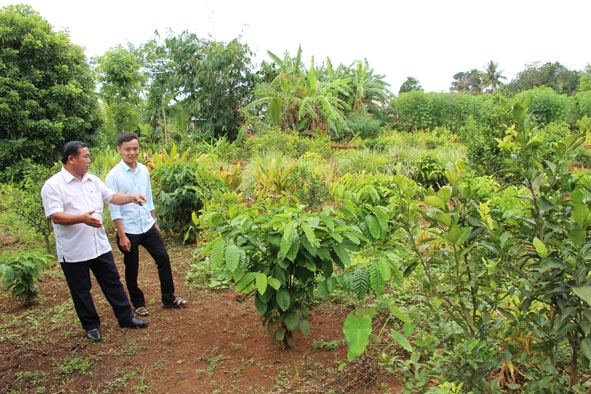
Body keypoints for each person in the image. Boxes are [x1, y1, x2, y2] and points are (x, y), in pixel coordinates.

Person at [41, 141, 149, 342]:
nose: (89, 160)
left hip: (99, 245)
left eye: (89, 156)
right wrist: (82, 218)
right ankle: (91, 326)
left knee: (113, 282)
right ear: (71, 159)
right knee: (81, 290)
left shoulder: (93, 180)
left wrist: (132, 197)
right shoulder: (53, 185)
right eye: (85, 156)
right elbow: (55, 216)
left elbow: (111, 196)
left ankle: (125, 317)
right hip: (74, 249)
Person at [105, 132, 187, 317]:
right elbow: (114, 209)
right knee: (132, 266)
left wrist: (154, 220)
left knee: (163, 258)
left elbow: (148, 197)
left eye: (135, 148)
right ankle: (138, 303)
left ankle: (168, 298)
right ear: (119, 150)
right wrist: (122, 235)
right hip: (129, 228)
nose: (132, 152)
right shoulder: (113, 176)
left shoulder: (143, 170)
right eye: (128, 149)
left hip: (147, 224)